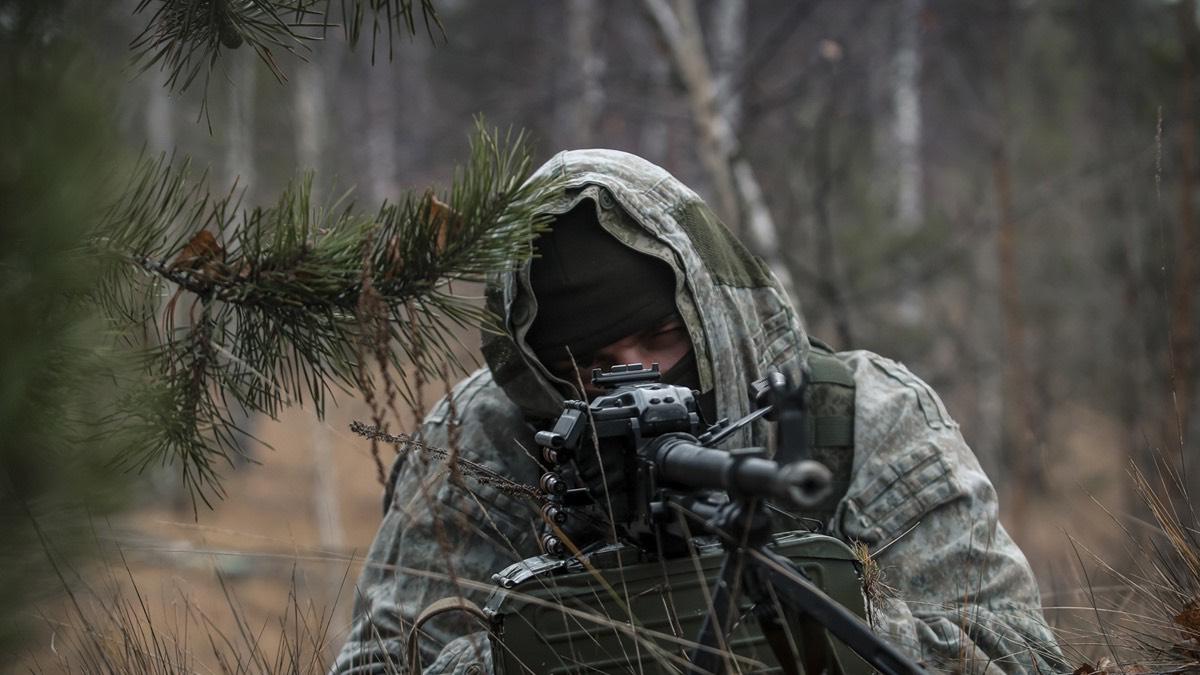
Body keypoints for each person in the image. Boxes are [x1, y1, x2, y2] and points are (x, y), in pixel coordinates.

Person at [331, 150, 1065, 674]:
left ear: (710, 313)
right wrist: (523, 646)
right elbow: (374, 661)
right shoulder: (483, 438)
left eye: (662, 338)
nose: (639, 378)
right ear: (544, 369)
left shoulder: (861, 418)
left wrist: (840, 628)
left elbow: (1020, 650)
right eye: (595, 364)